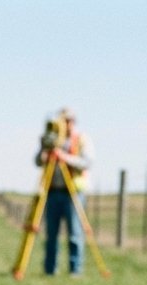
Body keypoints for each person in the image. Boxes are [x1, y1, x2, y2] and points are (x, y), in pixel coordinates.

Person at [35, 108, 93, 275]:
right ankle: (49, 270)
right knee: (51, 235)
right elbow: (38, 161)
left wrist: (64, 157)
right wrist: (43, 149)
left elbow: (88, 162)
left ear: (73, 122)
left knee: (75, 233)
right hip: (52, 192)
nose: (64, 124)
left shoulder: (80, 139)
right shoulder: (52, 140)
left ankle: (75, 270)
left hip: (73, 193)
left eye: (67, 121)